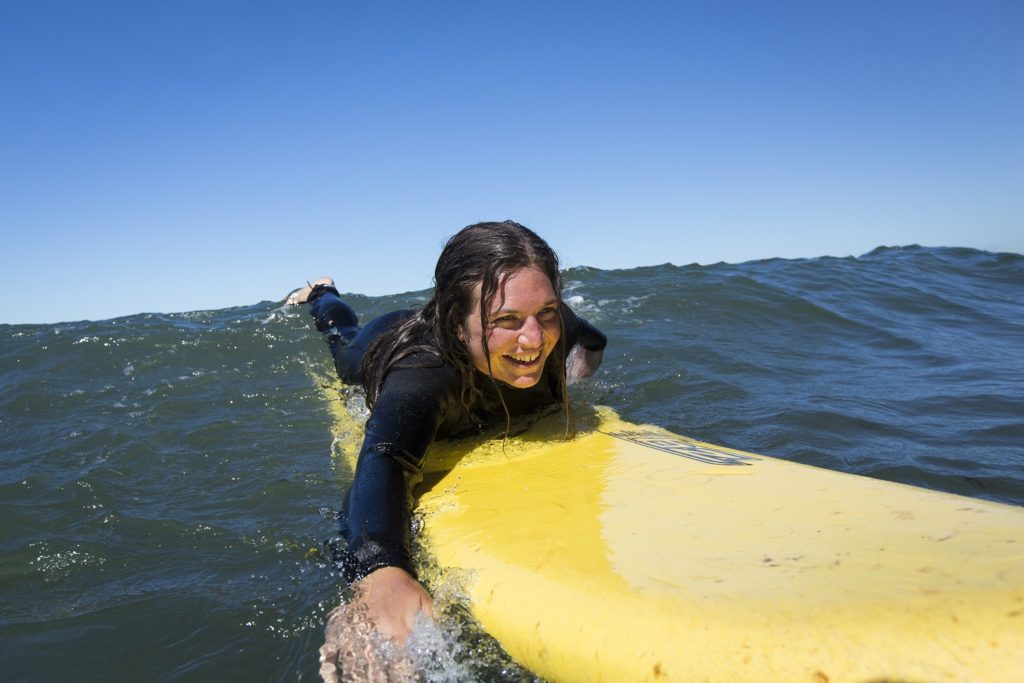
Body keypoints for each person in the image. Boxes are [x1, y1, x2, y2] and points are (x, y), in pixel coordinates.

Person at [288, 221, 607, 656]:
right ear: (459, 326)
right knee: (341, 341)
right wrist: (382, 571)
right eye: (506, 320)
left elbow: (592, 342)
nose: (533, 337)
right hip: (380, 341)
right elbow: (383, 460)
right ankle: (324, 294)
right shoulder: (423, 376)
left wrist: (558, 380)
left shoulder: (555, 325)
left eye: (546, 313)